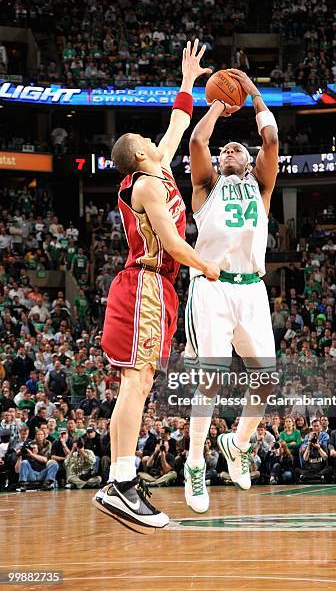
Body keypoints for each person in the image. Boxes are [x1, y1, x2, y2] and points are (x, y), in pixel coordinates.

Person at [94, 39, 219, 533]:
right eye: (143, 139)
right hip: (146, 281)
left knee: (139, 382)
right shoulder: (145, 185)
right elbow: (171, 243)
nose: (152, 139)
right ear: (139, 153)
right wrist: (208, 268)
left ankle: (121, 480)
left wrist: (188, 82)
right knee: (135, 381)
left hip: (155, 288)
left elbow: (177, 124)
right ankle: (120, 483)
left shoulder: (159, 169)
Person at [183, 68, 279, 512]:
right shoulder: (206, 186)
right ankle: (195, 464)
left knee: (266, 382)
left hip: (252, 290)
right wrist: (220, 103)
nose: (229, 149)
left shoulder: (261, 187)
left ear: (250, 159)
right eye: (227, 149)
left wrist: (254, 94)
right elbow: (198, 144)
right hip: (213, 287)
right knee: (211, 381)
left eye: (238, 146)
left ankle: (237, 444)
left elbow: (272, 141)